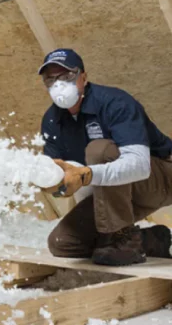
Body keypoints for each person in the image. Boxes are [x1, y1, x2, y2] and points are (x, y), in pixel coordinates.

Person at [38, 48, 172, 266]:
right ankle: (147, 240)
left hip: (161, 177)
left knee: (100, 151)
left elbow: (139, 165)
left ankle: (122, 239)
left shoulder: (114, 103)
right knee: (63, 243)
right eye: (50, 79)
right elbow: (64, 173)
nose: (58, 84)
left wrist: (87, 175)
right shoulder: (52, 121)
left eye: (66, 76)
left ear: (83, 76)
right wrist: (52, 183)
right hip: (114, 194)